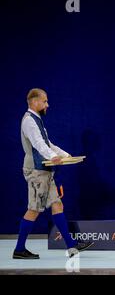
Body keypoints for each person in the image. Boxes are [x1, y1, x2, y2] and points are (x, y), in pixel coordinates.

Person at [13, 88, 93, 259]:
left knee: (57, 205)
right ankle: (19, 249)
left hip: (45, 170)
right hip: (36, 171)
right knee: (34, 209)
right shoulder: (29, 121)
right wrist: (53, 156)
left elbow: (47, 143)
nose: (47, 104)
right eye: (44, 101)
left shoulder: (37, 120)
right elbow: (38, 144)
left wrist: (64, 155)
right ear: (34, 102)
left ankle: (72, 246)